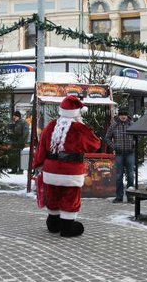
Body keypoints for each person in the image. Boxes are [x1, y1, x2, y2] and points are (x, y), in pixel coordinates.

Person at [33, 96, 101, 237]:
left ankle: (53, 224)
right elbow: (95, 145)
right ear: (76, 112)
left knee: (53, 195)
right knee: (70, 197)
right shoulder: (79, 128)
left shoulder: (51, 126)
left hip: (51, 171)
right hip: (70, 172)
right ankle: (67, 227)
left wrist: (38, 164)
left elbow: (41, 148)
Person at [105, 108, 135, 204]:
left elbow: (138, 136)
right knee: (119, 176)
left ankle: (130, 197)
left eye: (125, 115)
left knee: (130, 175)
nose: (123, 116)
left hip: (130, 153)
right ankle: (119, 197)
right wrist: (114, 147)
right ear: (119, 115)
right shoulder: (114, 125)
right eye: (121, 114)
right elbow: (107, 138)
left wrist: (134, 144)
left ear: (127, 116)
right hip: (119, 154)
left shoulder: (132, 124)